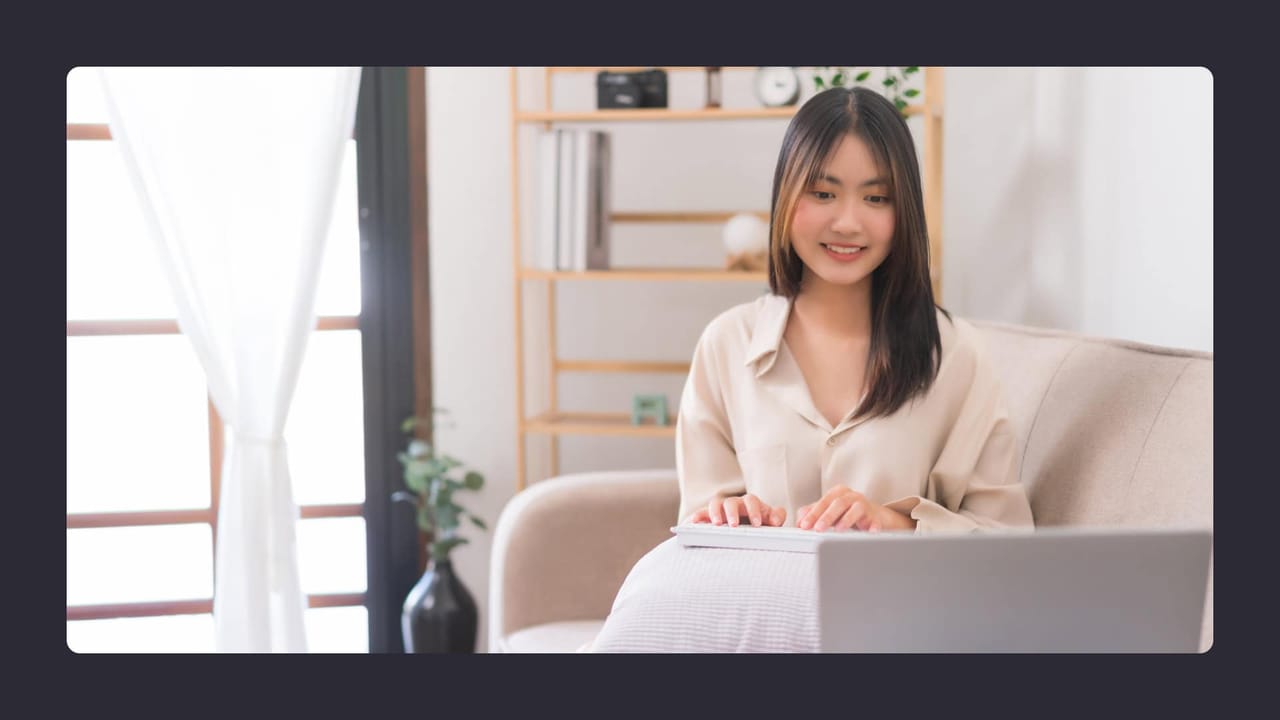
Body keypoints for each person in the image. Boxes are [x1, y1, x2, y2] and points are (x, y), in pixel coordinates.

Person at [676, 86, 1034, 534]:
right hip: (759, 583)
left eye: (876, 198)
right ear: (785, 197)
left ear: (904, 211)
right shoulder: (726, 345)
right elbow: (694, 531)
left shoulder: (956, 357)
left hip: (899, 584)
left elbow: (1005, 537)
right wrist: (730, 519)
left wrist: (893, 523)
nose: (847, 223)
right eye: (823, 194)